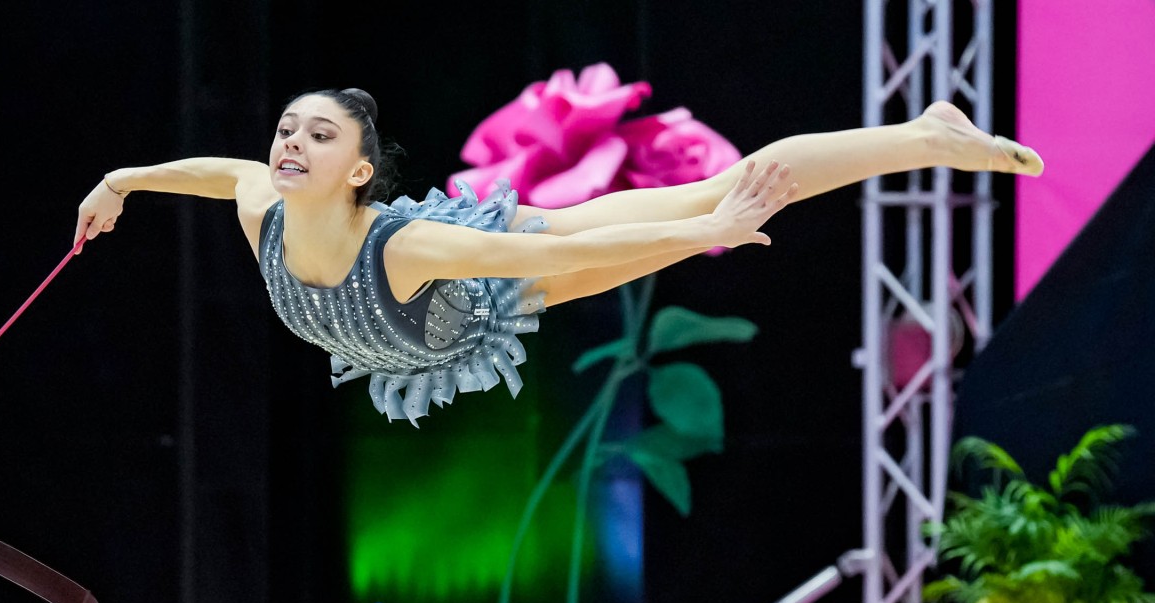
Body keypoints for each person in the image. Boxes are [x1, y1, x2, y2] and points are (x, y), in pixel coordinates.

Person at [73, 89, 1041, 424]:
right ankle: (922, 133)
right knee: (700, 209)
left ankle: (927, 135)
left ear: (359, 170)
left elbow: (595, 246)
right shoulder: (265, 215)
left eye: (317, 135)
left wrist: (705, 235)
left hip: (503, 277)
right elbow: (219, 172)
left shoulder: (407, 247)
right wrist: (122, 180)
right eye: (287, 128)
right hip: (448, 318)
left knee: (723, 191)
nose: (289, 143)